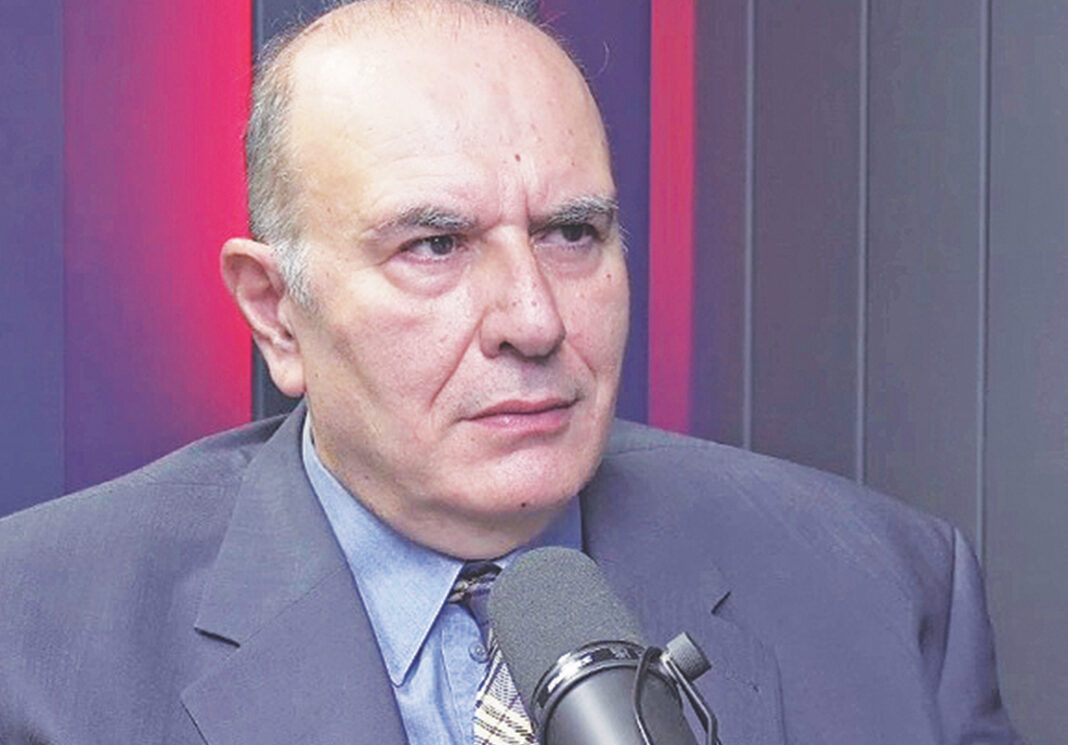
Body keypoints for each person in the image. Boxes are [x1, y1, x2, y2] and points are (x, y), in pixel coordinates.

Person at [0, 1, 1023, 744]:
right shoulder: (35, 640)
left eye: (573, 233)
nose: (535, 320)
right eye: (435, 246)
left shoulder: (884, 590)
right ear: (277, 312)